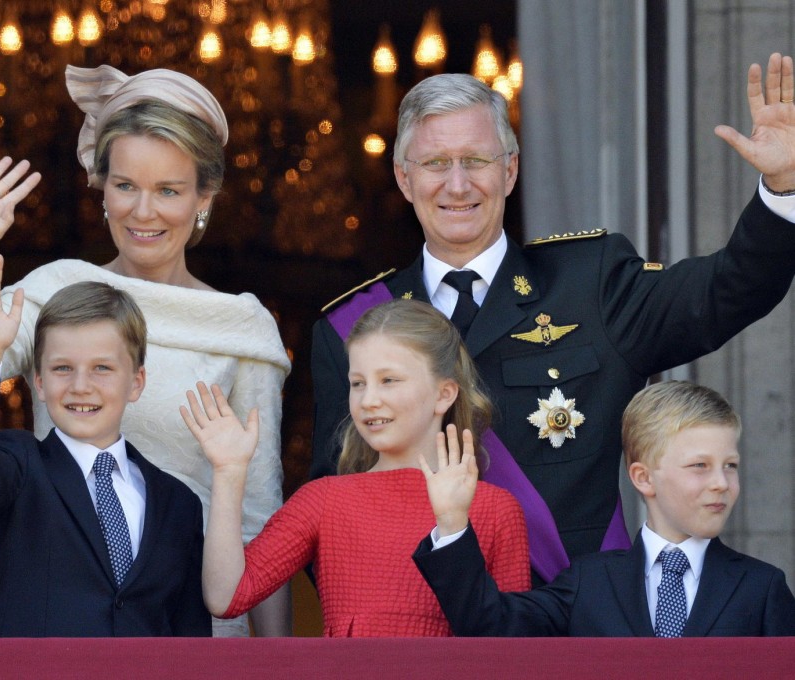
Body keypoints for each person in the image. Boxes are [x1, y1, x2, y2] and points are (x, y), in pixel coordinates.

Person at [311, 53, 795, 581]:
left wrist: (784, 188)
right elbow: (328, 511)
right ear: (404, 179)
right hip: (419, 627)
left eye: (476, 160)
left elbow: (725, 293)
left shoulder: (592, 282)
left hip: (571, 623)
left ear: (510, 169)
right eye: (434, 163)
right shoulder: (352, 328)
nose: (456, 185)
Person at [0, 65, 291, 636]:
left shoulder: (243, 325)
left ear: (206, 195)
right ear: (101, 187)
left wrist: (273, 666)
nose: (143, 212)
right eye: (125, 185)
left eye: (169, 191)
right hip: (59, 626)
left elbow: (260, 520)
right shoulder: (59, 291)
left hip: (194, 632)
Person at [184, 300, 529, 637]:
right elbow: (226, 597)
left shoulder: (496, 510)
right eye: (358, 383)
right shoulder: (325, 499)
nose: (368, 400)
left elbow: (513, 651)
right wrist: (229, 471)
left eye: (389, 380)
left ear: (444, 394)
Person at [0, 255, 209, 636]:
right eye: (63, 368)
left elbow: (189, 637)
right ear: (39, 382)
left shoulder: (179, 504)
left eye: (102, 368)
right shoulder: (21, 468)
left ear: (136, 383)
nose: (81, 385)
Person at [414, 380, 795, 636]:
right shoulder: (589, 582)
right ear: (643, 478)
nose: (721, 483)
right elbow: (490, 625)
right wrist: (451, 521)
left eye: (730, 466)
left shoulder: (762, 588)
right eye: (700, 466)